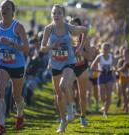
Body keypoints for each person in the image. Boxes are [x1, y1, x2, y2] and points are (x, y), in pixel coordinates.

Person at [39, 5, 88, 133]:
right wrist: (51, 46)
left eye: (59, 13)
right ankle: (63, 121)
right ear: (51, 15)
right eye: (54, 13)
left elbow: (85, 30)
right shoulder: (48, 29)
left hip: (68, 62)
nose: (56, 15)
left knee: (63, 86)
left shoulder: (69, 27)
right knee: (59, 96)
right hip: (55, 65)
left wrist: (80, 47)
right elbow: (42, 48)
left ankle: (71, 107)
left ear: (63, 15)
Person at [0, 0, 29, 134]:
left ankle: (20, 115)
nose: (5, 10)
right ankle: (1, 125)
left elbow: (26, 49)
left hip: (17, 65)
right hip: (2, 64)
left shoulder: (18, 27)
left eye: (8, 8)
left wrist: (11, 44)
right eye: (2, 7)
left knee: (16, 96)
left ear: (13, 11)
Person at [90, 43, 116, 117]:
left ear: (109, 50)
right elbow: (92, 67)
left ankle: (105, 112)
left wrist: (114, 74)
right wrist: (99, 70)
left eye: (107, 49)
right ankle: (105, 105)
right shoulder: (99, 57)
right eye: (104, 49)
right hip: (101, 76)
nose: (105, 50)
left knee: (109, 95)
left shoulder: (111, 57)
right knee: (102, 96)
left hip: (109, 76)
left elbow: (115, 67)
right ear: (102, 49)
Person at [117, 48, 129, 113]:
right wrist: (123, 67)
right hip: (122, 77)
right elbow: (118, 70)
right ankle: (126, 108)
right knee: (123, 93)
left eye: (126, 53)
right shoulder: (121, 61)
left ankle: (128, 104)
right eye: (124, 53)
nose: (125, 54)